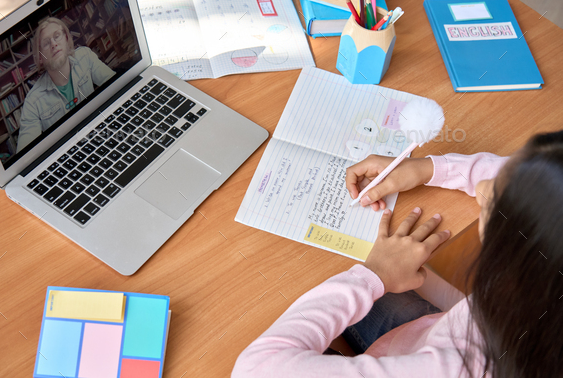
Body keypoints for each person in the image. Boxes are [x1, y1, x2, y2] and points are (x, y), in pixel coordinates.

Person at [232, 130, 563, 378]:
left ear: (515, 252)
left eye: (493, 203)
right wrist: (427, 170)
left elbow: (256, 368)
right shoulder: (544, 287)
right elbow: (543, 179)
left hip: (419, 354)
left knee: (329, 278)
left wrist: (374, 275)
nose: (481, 190)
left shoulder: (457, 366)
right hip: (438, 330)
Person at [17, 17, 115, 152]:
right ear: (40, 57)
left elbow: (116, 87)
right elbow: (25, 154)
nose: (53, 44)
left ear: (67, 39)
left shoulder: (85, 56)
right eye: (46, 43)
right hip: (69, 153)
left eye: (57, 36)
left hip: (102, 132)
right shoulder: (32, 102)